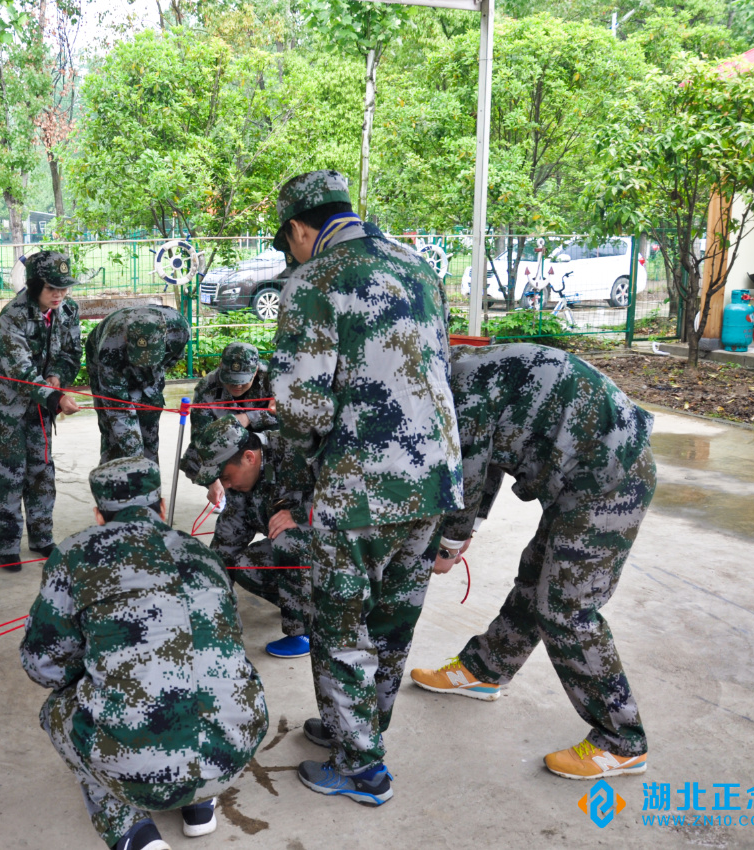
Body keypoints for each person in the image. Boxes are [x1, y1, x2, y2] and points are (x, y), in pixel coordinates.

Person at [269, 170, 463, 805]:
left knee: (341, 625)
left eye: (288, 241)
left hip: (359, 490)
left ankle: (361, 769)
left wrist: (295, 476)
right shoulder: (418, 267)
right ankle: (362, 730)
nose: (291, 252)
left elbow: (301, 409)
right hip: (434, 480)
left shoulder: (312, 281)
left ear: (301, 228)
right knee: (392, 621)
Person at [409, 343, 655, 780]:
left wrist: (448, 545)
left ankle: (622, 741)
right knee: (537, 575)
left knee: (566, 607)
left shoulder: (456, 397)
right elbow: (484, 464)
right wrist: (467, 532)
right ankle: (486, 668)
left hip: (612, 478)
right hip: (582, 475)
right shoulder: (458, 372)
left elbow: (464, 474)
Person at [21, 456, 269, 850]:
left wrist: (101, 664)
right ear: (162, 508)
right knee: (208, 675)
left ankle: (132, 832)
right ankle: (200, 802)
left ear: (99, 515)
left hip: (139, 770)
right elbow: (228, 641)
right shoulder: (201, 552)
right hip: (233, 751)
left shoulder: (74, 554)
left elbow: (43, 666)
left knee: (58, 709)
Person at [0, 251, 83, 571]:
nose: (59, 294)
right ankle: (6, 544)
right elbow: (19, 371)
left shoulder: (67, 310)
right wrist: (55, 397)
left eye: (64, 287)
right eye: (52, 288)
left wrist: (58, 377)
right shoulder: (15, 314)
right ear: (34, 286)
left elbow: (71, 354)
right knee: (9, 471)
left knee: (41, 467)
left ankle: (41, 536)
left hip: (41, 396)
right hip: (1, 401)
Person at [192, 415, 313, 658]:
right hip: (306, 548)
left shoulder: (299, 451)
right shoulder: (241, 485)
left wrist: (304, 514)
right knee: (244, 565)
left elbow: (359, 488)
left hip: (341, 548)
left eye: (225, 477)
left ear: (249, 457)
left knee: (288, 540)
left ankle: (308, 629)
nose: (224, 486)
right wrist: (206, 609)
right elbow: (226, 544)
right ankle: (303, 605)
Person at [84, 304, 190, 464]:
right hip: (110, 358)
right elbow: (117, 409)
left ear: (165, 337)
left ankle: (150, 477)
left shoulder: (179, 329)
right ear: (127, 339)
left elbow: (172, 359)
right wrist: (134, 453)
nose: (143, 365)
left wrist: (146, 386)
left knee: (150, 416)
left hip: (153, 368)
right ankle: (113, 477)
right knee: (113, 431)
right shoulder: (110, 348)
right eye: (140, 358)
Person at [179, 341, 277, 513]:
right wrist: (213, 481)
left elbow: (293, 416)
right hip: (229, 443)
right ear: (221, 368)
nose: (237, 386)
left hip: (262, 440)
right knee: (192, 459)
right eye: (231, 381)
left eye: (242, 381)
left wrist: (249, 417)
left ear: (255, 371)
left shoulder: (275, 379)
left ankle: (269, 493)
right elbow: (201, 438)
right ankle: (227, 493)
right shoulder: (207, 387)